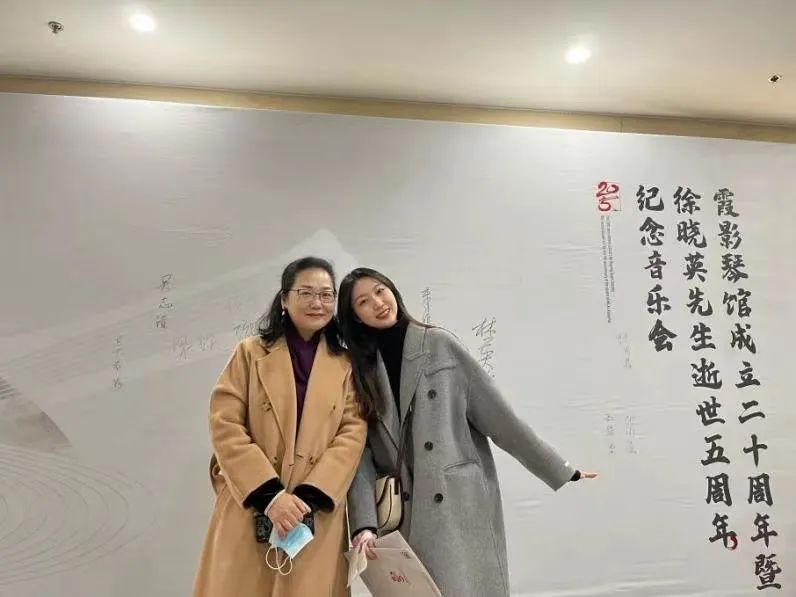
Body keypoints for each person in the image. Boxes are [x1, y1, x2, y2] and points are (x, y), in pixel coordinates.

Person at [340, 267, 596, 597]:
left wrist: (561, 468)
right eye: (363, 301)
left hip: (456, 501)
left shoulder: (439, 345)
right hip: (403, 511)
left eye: (380, 290)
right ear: (355, 316)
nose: (377, 303)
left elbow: (500, 418)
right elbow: (358, 453)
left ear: (392, 291)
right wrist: (364, 523)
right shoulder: (360, 371)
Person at [193, 257, 367, 597]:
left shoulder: (345, 364)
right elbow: (225, 423)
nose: (317, 303)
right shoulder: (250, 353)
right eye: (306, 292)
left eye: (326, 295)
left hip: (312, 512)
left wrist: (307, 497)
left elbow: (352, 433)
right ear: (285, 299)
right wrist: (270, 496)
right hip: (251, 504)